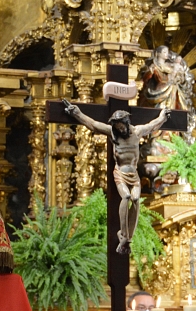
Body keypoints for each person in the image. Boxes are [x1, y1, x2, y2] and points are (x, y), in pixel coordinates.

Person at [63, 101, 170, 253]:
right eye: (116, 126)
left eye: (121, 125)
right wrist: (77, 113)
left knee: (135, 200)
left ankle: (128, 238)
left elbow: (153, 125)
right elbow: (93, 125)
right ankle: (124, 235)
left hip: (134, 174)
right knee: (126, 197)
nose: (119, 128)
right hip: (120, 172)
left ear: (126, 123)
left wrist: (163, 117)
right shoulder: (113, 134)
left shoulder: (137, 132)